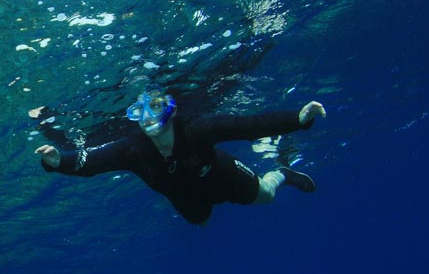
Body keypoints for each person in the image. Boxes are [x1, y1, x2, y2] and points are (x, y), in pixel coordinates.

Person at [35, 87, 325, 225]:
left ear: (171, 110)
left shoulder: (197, 129)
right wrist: (59, 161)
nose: (147, 116)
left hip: (221, 176)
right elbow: (92, 162)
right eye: (139, 111)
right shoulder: (132, 149)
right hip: (184, 197)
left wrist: (297, 119)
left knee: (266, 195)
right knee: (200, 222)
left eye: (156, 107)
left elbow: (248, 126)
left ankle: (283, 173)